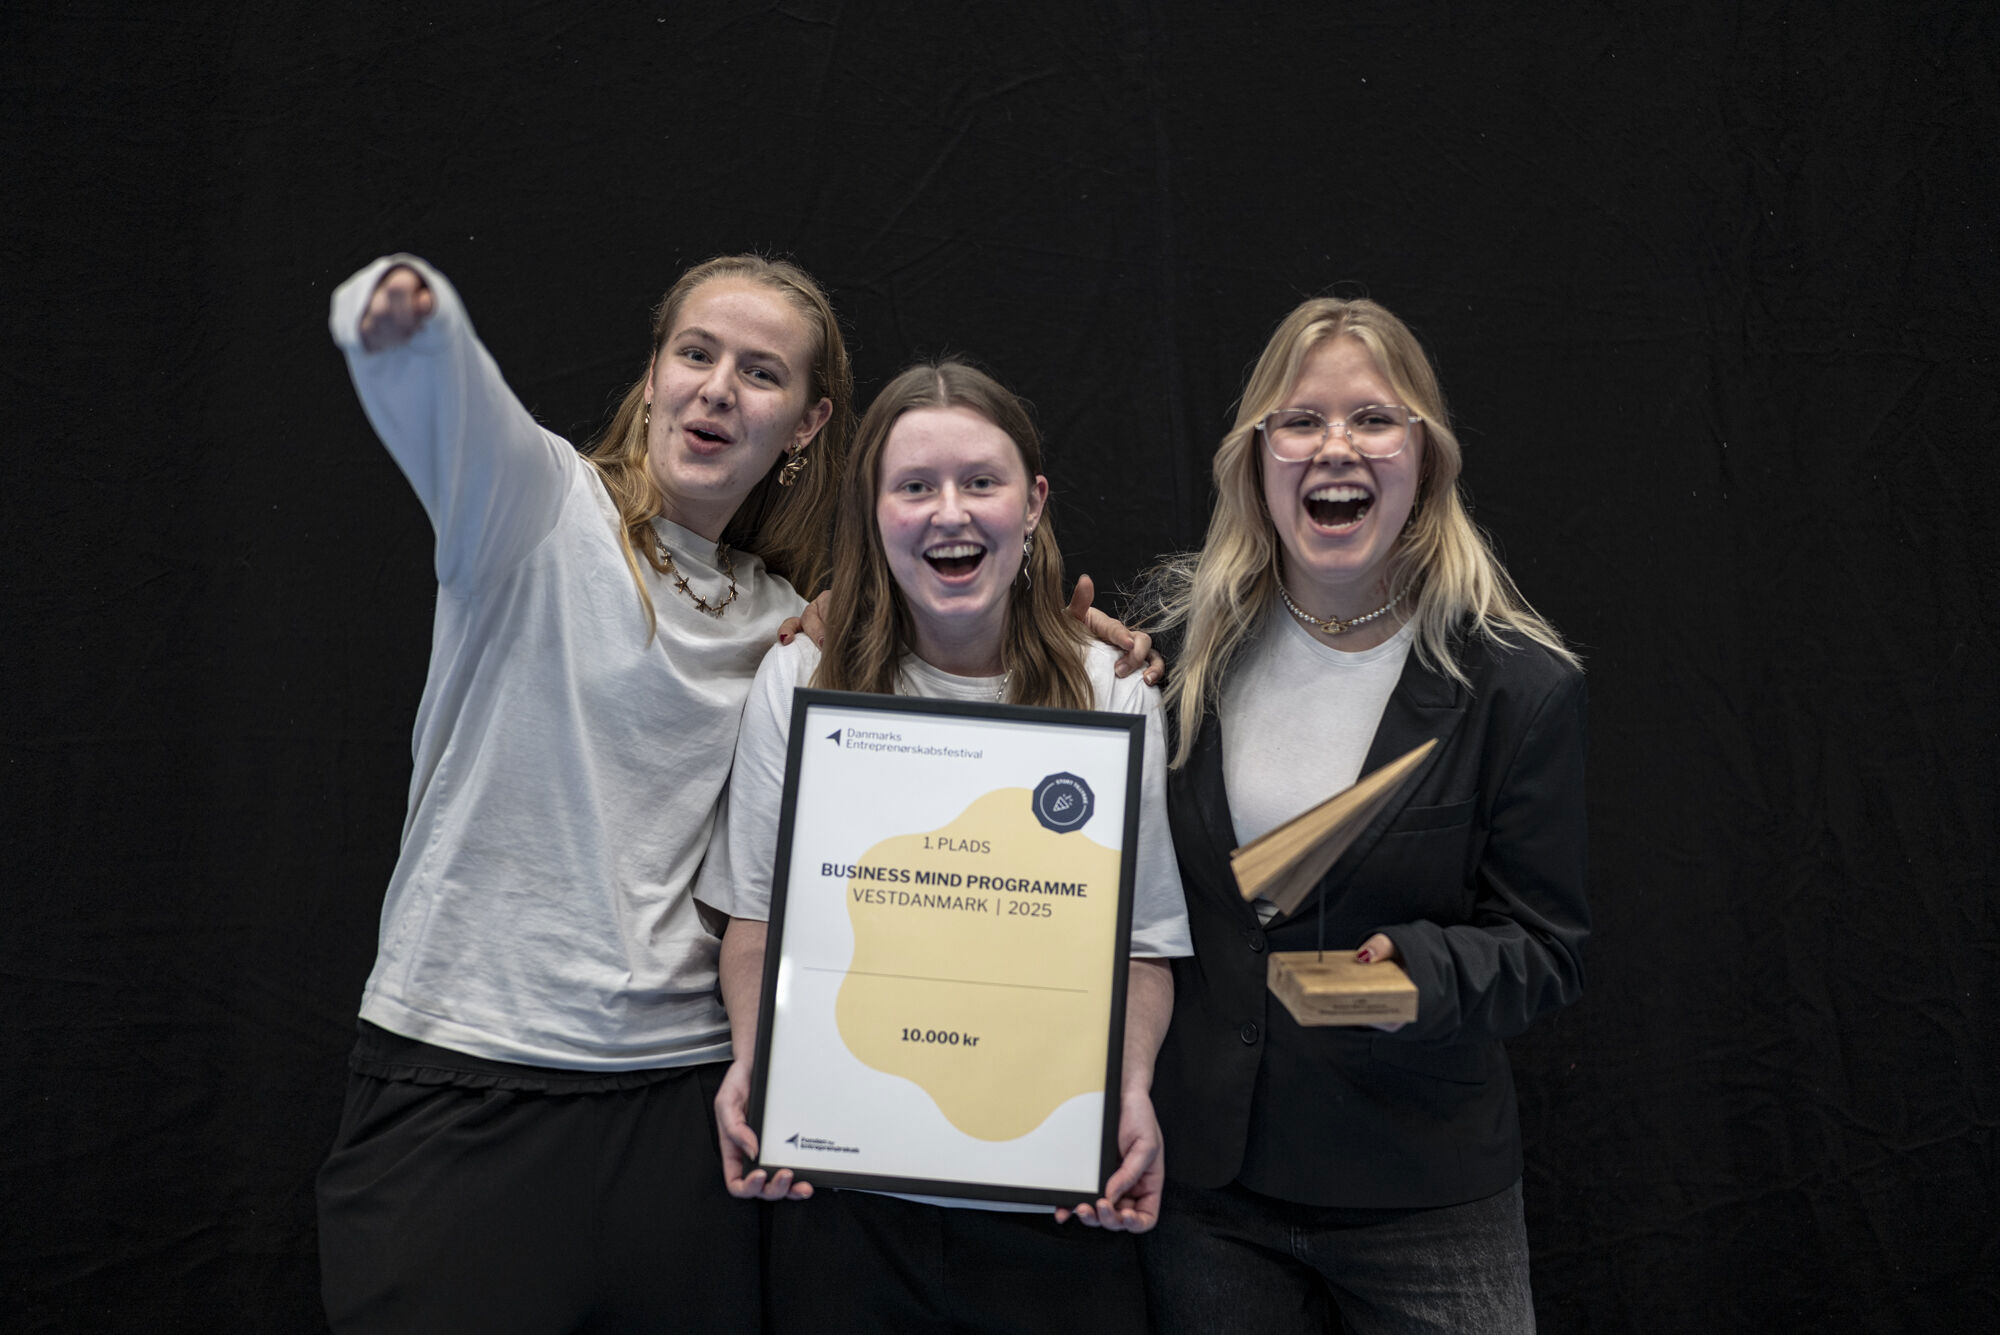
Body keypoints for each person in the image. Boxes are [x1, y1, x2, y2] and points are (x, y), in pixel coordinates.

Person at [695, 360, 1192, 1333]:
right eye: (915, 486)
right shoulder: (802, 677)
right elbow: (754, 919)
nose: (949, 512)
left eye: (980, 481)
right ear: (871, 512)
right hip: (842, 1205)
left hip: (1056, 1208)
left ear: (1032, 503)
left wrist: (1127, 1088)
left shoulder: (1113, 691)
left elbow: (1141, 947)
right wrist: (757, 1063)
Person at [1135, 297, 1588, 1334]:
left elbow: (1547, 949)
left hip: (1420, 1191)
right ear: (1256, 458)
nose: (1334, 446)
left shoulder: (1518, 688)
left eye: (1374, 419)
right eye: (1300, 420)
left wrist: (1417, 973)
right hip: (1209, 1193)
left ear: (1425, 458)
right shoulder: (1170, 658)